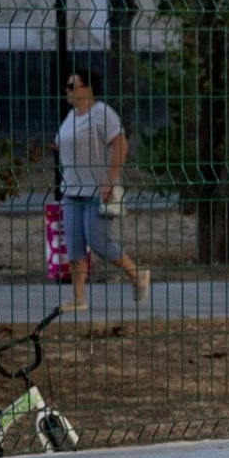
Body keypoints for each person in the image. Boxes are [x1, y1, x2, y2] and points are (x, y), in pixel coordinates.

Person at [54, 67, 151, 320]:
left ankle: (136, 273)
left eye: (72, 86)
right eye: (67, 86)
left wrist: (109, 180)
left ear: (88, 89)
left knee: (98, 242)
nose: (67, 91)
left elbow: (121, 144)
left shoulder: (102, 113)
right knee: (74, 246)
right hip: (72, 190)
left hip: (97, 190)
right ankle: (78, 298)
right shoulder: (71, 116)